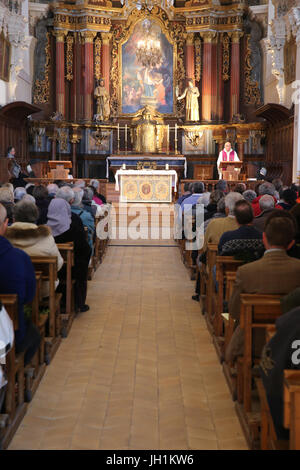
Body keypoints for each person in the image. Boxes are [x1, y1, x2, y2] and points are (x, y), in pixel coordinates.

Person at [226, 210, 300, 363]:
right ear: (291, 242)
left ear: (264, 238)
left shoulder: (247, 271)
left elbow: (233, 311)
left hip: (253, 341)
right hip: (292, 344)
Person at [0, 203, 40, 366]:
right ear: (5, 224)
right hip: (7, 333)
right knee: (34, 336)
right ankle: (14, 378)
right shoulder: (18, 258)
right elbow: (28, 296)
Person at [5, 200, 63, 298]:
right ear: (36, 216)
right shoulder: (45, 236)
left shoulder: (4, 236)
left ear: (14, 218)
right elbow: (58, 264)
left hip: (10, 288)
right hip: (41, 289)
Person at [47, 198, 91, 312]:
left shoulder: (43, 229)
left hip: (47, 270)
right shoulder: (73, 228)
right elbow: (85, 250)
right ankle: (79, 302)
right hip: (69, 270)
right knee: (81, 265)